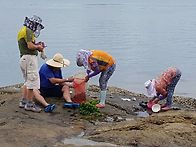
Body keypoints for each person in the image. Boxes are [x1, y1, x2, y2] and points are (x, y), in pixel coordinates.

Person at [17, 15, 47, 112]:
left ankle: (24, 101)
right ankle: (29, 104)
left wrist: (37, 45)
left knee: (27, 81)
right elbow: (30, 46)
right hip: (29, 59)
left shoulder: (23, 30)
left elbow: (28, 44)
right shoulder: (28, 30)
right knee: (32, 81)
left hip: (24, 58)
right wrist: (38, 47)